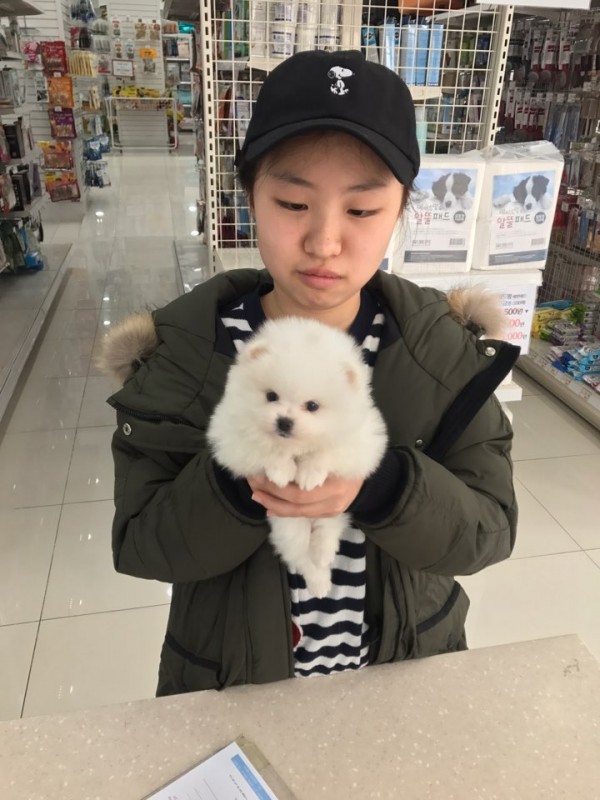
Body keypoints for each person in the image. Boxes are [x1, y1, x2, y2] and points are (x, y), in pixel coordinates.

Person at [101, 49, 519, 696]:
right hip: (234, 686)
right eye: (294, 203)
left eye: (361, 211)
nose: (325, 242)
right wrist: (240, 475)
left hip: (405, 677)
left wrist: (385, 486)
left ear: (401, 211)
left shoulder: (442, 355)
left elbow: (489, 531)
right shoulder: (184, 359)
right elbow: (142, 545)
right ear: (250, 197)